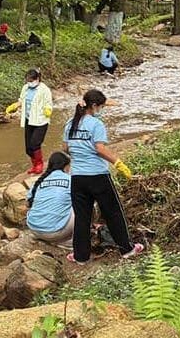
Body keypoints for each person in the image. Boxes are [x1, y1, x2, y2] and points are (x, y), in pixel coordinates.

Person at [62, 89, 143, 265]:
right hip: (98, 176)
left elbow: (65, 148)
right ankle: (127, 249)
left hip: (77, 178)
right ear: (94, 106)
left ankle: (80, 256)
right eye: (101, 106)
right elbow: (100, 148)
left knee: (82, 217)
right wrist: (118, 163)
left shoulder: (70, 123)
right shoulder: (96, 124)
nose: (102, 109)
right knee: (113, 212)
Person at [5, 68, 53, 174]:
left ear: (38, 79)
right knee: (28, 148)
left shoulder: (44, 90)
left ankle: (39, 164)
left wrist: (48, 110)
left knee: (35, 144)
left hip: (40, 121)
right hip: (29, 119)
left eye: (31, 80)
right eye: (28, 80)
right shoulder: (25, 88)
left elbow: (48, 103)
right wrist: (14, 106)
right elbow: (21, 100)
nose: (29, 82)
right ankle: (34, 165)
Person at [26, 152, 73, 248]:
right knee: (83, 204)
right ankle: (67, 241)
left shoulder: (40, 181)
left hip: (33, 229)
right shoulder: (70, 180)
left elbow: (27, 204)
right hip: (53, 233)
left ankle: (43, 235)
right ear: (66, 166)